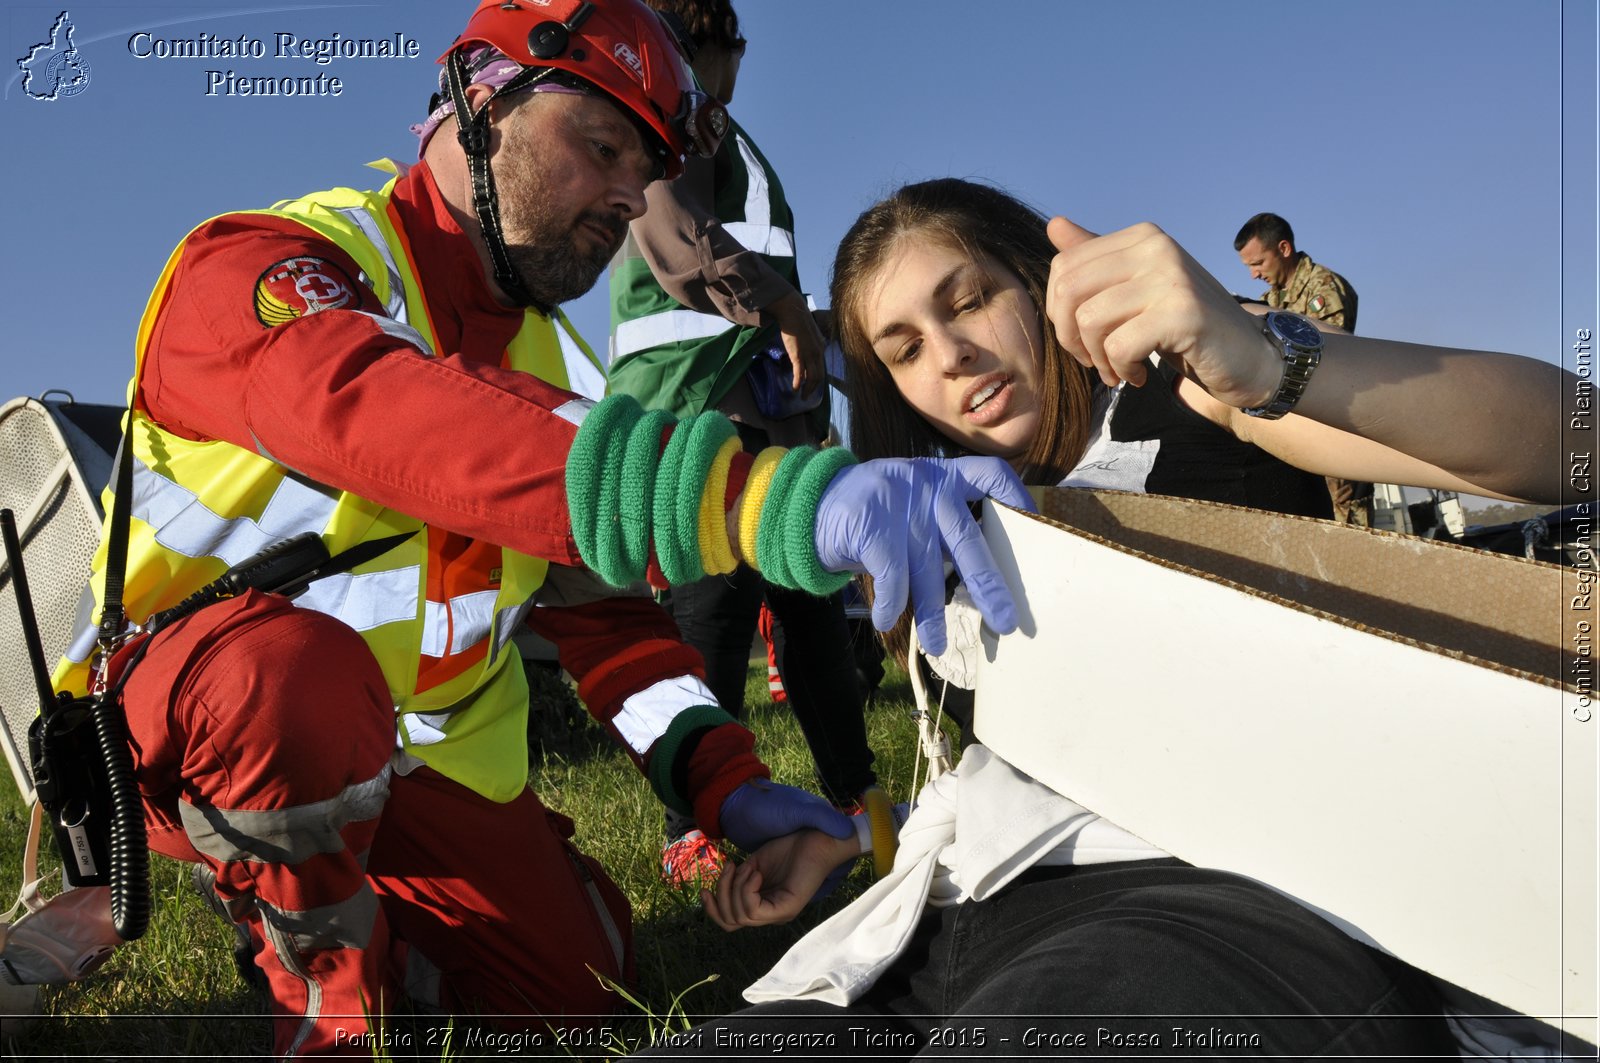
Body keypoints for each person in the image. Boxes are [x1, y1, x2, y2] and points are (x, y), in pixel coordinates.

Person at [45, 9, 1032, 1056]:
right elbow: (386, 410)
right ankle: (324, 990)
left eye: (644, 169)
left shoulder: (559, 365)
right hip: (198, 735)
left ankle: (377, 911)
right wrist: (762, 499)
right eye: (602, 146)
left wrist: (724, 783)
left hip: (413, 766)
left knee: (579, 990)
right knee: (291, 679)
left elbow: (610, 630)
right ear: (476, 101)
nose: (627, 194)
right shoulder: (267, 262)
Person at [642, 180, 1568, 1059]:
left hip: (1215, 908)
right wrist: (857, 840)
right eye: (904, 348)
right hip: (956, 920)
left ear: (1040, 283)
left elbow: (1575, 446)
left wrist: (1265, 362)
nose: (950, 354)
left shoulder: (1194, 392)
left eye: (966, 302)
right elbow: (1049, 761)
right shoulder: (939, 520)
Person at [607, 0, 879, 887]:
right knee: (711, 618)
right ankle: (696, 822)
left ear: (732, 54)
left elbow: (763, 279)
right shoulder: (664, 131)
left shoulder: (722, 136)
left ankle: (855, 796)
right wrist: (787, 310)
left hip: (768, 412)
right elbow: (676, 239)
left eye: (687, 45)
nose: (672, 59)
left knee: (811, 614)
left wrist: (817, 389)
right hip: (696, 413)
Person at [1235, 210, 1372, 525]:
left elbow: (1327, 361)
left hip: (1335, 430)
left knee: (1347, 535)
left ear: (1283, 249)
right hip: (1296, 435)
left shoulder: (1323, 289)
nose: (1254, 274)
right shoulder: (1272, 298)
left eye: (1258, 263)